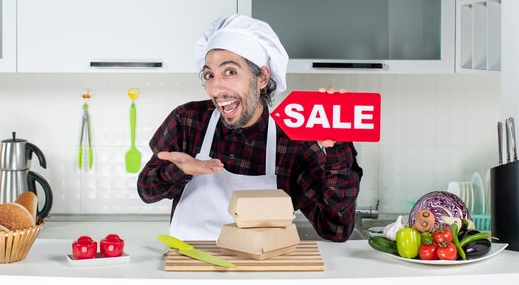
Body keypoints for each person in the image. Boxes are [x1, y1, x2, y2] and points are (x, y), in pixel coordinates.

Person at [137, 14, 363, 242]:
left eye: (230, 72)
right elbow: (146, 191)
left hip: (262, 271)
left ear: (262, 77)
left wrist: (337, 149)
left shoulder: (293, 142)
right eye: (209, 75)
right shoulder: (187, 120)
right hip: (191, 267)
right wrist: (180, 171)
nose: (216, 88)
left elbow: (336, 229)